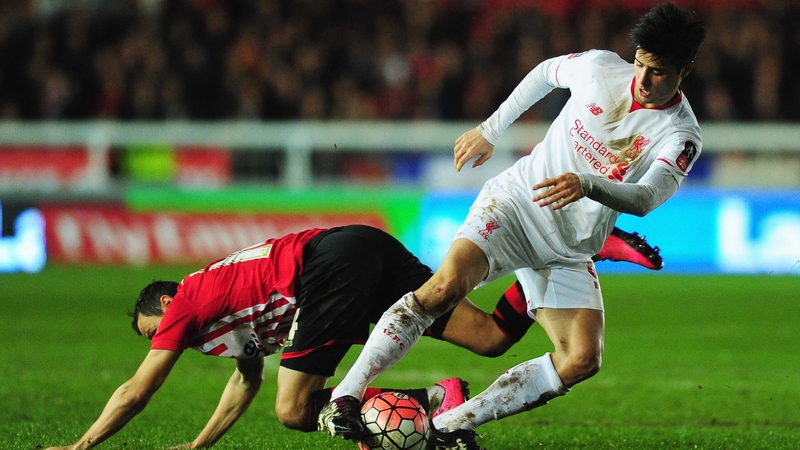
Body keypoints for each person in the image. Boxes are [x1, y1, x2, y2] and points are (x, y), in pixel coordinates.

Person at [318, 4, 705, 449]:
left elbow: (646, 197)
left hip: (568, 249)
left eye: (657, 72)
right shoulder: (599, 66)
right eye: (639, 62)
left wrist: (586, 184)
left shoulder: (681, 134)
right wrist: (491, 129)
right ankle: (346, 396)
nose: (642, 79)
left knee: (581, 358)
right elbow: (544, 73)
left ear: (685, 69)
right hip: (516, 204)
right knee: (444, 288)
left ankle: (450, 424)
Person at [44, 222, 660, 450]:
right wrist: (199, 445)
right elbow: (245, 379)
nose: (164, 342)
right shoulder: (219, 309)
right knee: (494, 337)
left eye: (157, 332)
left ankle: (411, 414)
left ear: (166, 304)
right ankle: (570, 256)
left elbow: (136, 392)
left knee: (296, 411)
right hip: (357, 246)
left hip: (326, 271)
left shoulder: (186, 302)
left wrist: (79, 449)